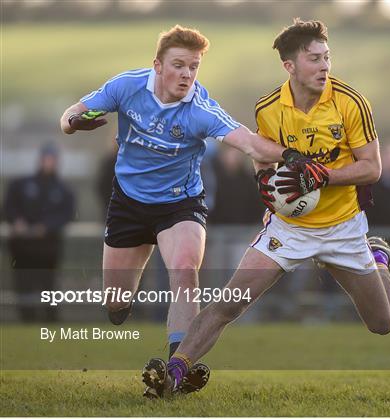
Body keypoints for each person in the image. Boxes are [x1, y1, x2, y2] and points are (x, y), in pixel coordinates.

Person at [141, 19, 390, 399]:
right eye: (314, 59)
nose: (324, 66)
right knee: (228, 305)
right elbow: (262, 159)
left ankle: (378, 256)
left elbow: (372, 168)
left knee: (382, 324)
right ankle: (173, 373)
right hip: (287, 228)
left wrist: (320, 177)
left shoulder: (351, 103)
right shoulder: (269, 108)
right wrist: (263, 183)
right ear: (290, 66)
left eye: (327, 57)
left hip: (343, 227)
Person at [59, 24, 319, 396]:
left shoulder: (199, 109)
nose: (186, 74)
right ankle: (123, 308)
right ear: (158, 65)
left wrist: (294, 156)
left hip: (181, 204)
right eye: (179, 65)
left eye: (194, 67)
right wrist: (72, 124)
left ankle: (174, 370)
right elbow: (71, 114)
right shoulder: (127, 86)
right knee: (116, 305)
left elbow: (249, 143)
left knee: (184, 269)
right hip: (129, 204)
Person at [4, 143, 75, 322]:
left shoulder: (63, 190)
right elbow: (8, 207)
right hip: (22, 247)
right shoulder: (21, 184)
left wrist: (46, 227)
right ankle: (27, 319)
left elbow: (66, 214)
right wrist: (17, 221)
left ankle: (50, 319)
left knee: (48, 285)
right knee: (23, 284)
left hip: (48, 247)